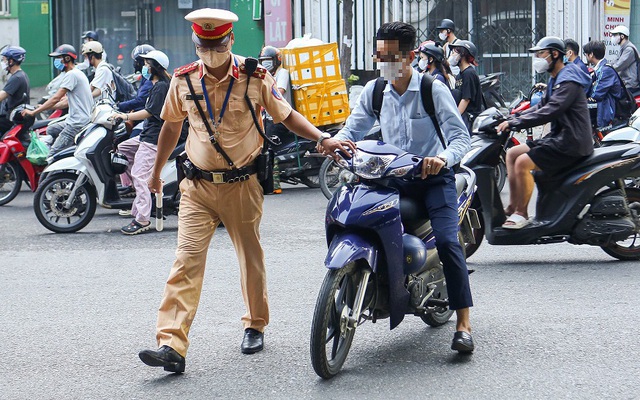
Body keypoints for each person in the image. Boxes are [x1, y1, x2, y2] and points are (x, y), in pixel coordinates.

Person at [138, 8, 353, 373]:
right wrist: (156, 173)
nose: (209, 51)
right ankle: (171, 343)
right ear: (196, 44)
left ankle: (255, 323)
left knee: (249, 256)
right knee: (185, 262)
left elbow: (286, 116)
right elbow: (171, 128)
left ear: (231, 40)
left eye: (216, 43)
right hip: (197, 187)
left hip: (242, 186)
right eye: (203, 45)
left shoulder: (256, 77)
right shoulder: (183, 81)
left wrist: (322, 138)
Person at [331, 21, 474, 353]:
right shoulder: (375, 91)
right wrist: (334, 143)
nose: (383, 63)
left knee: (450, 243)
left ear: (410, 56)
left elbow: (460, 138)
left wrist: (441, 158)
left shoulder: (431, 89)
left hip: (433, 180)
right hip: (391, 178)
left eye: (390, 56)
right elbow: (352, 129)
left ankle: (464, 323)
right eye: (379, 56)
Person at [496, 37, 593, 229]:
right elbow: (542, 105)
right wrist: (511, 116)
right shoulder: (556, 78)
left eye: (540, 54)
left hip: (571, 141)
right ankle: (512, 207)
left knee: (523, 162)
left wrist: (517, 123)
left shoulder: (568, 80)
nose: (537, 59)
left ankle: (521, 213)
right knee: (512, 153)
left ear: (554, 54)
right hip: (560, 136)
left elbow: (551, 110)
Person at [112, 50, 172, 235]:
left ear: (154, 67)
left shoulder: (161, 86)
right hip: (147, 134)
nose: (144, 67)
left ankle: (142, 219)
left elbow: (148, 111)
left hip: (154, 138)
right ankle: (136, 193)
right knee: (122, 148)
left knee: (140, 175)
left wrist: (124, 116)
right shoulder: (154, 84)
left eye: (147, 64)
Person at [22, 44, 93, 158]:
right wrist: (42, 107)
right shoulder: (78, 73)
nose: (56, 61)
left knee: (51, 156)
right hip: (79, 119)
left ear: (67, 58)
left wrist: (34, 112)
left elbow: (56, 98)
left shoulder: (72, 75)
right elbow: (66, 102)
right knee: (51, 129)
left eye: (58, 58)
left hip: (77, 124)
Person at [116, 44, 156, 201]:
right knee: (122, 144)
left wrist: (122, 110)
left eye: (145, 63)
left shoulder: (156, 84)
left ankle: (134, 187)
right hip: (147, 123)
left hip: (151, 128)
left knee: (129, 141)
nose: (140, 65)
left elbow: (143, 103)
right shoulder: (147, 79)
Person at [259, 45, 293, 194]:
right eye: (263, 60)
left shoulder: (282, 73)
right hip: (268, 117)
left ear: (276, 61)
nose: (265, 63)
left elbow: (279, 91)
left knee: (270, 148)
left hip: (279, 118)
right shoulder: (267, 74)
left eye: (268, 60)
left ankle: (275, 185)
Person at [583, 40, 624, 128]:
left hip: (608, 108)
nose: (585, 56)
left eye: (585, 53)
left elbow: (596, 93)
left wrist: (591, 95)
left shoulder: (605, 70)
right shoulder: (599, 69)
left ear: (591, 54)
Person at [449, 40, 483, 130]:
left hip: (469, 120)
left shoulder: (469, 73)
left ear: (463, 54)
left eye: (454, 52)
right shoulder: (460, 74)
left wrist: (455, 119)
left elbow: (465, 99)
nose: (452, 55)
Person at [0, 46, 29, 134]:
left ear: (11, 61)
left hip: (12, 119)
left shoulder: (17, 78)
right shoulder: (21, 75)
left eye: (4, 60)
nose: (2, 62)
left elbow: (2, 96)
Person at [610, 25, 640, 95]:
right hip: (624, 83)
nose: (613, 37)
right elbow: (614, 61)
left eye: (615, 35)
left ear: (622, 36)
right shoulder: (623, 48)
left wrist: (607, 70)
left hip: (630, 84)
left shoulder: (629, 49)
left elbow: (618, 66)